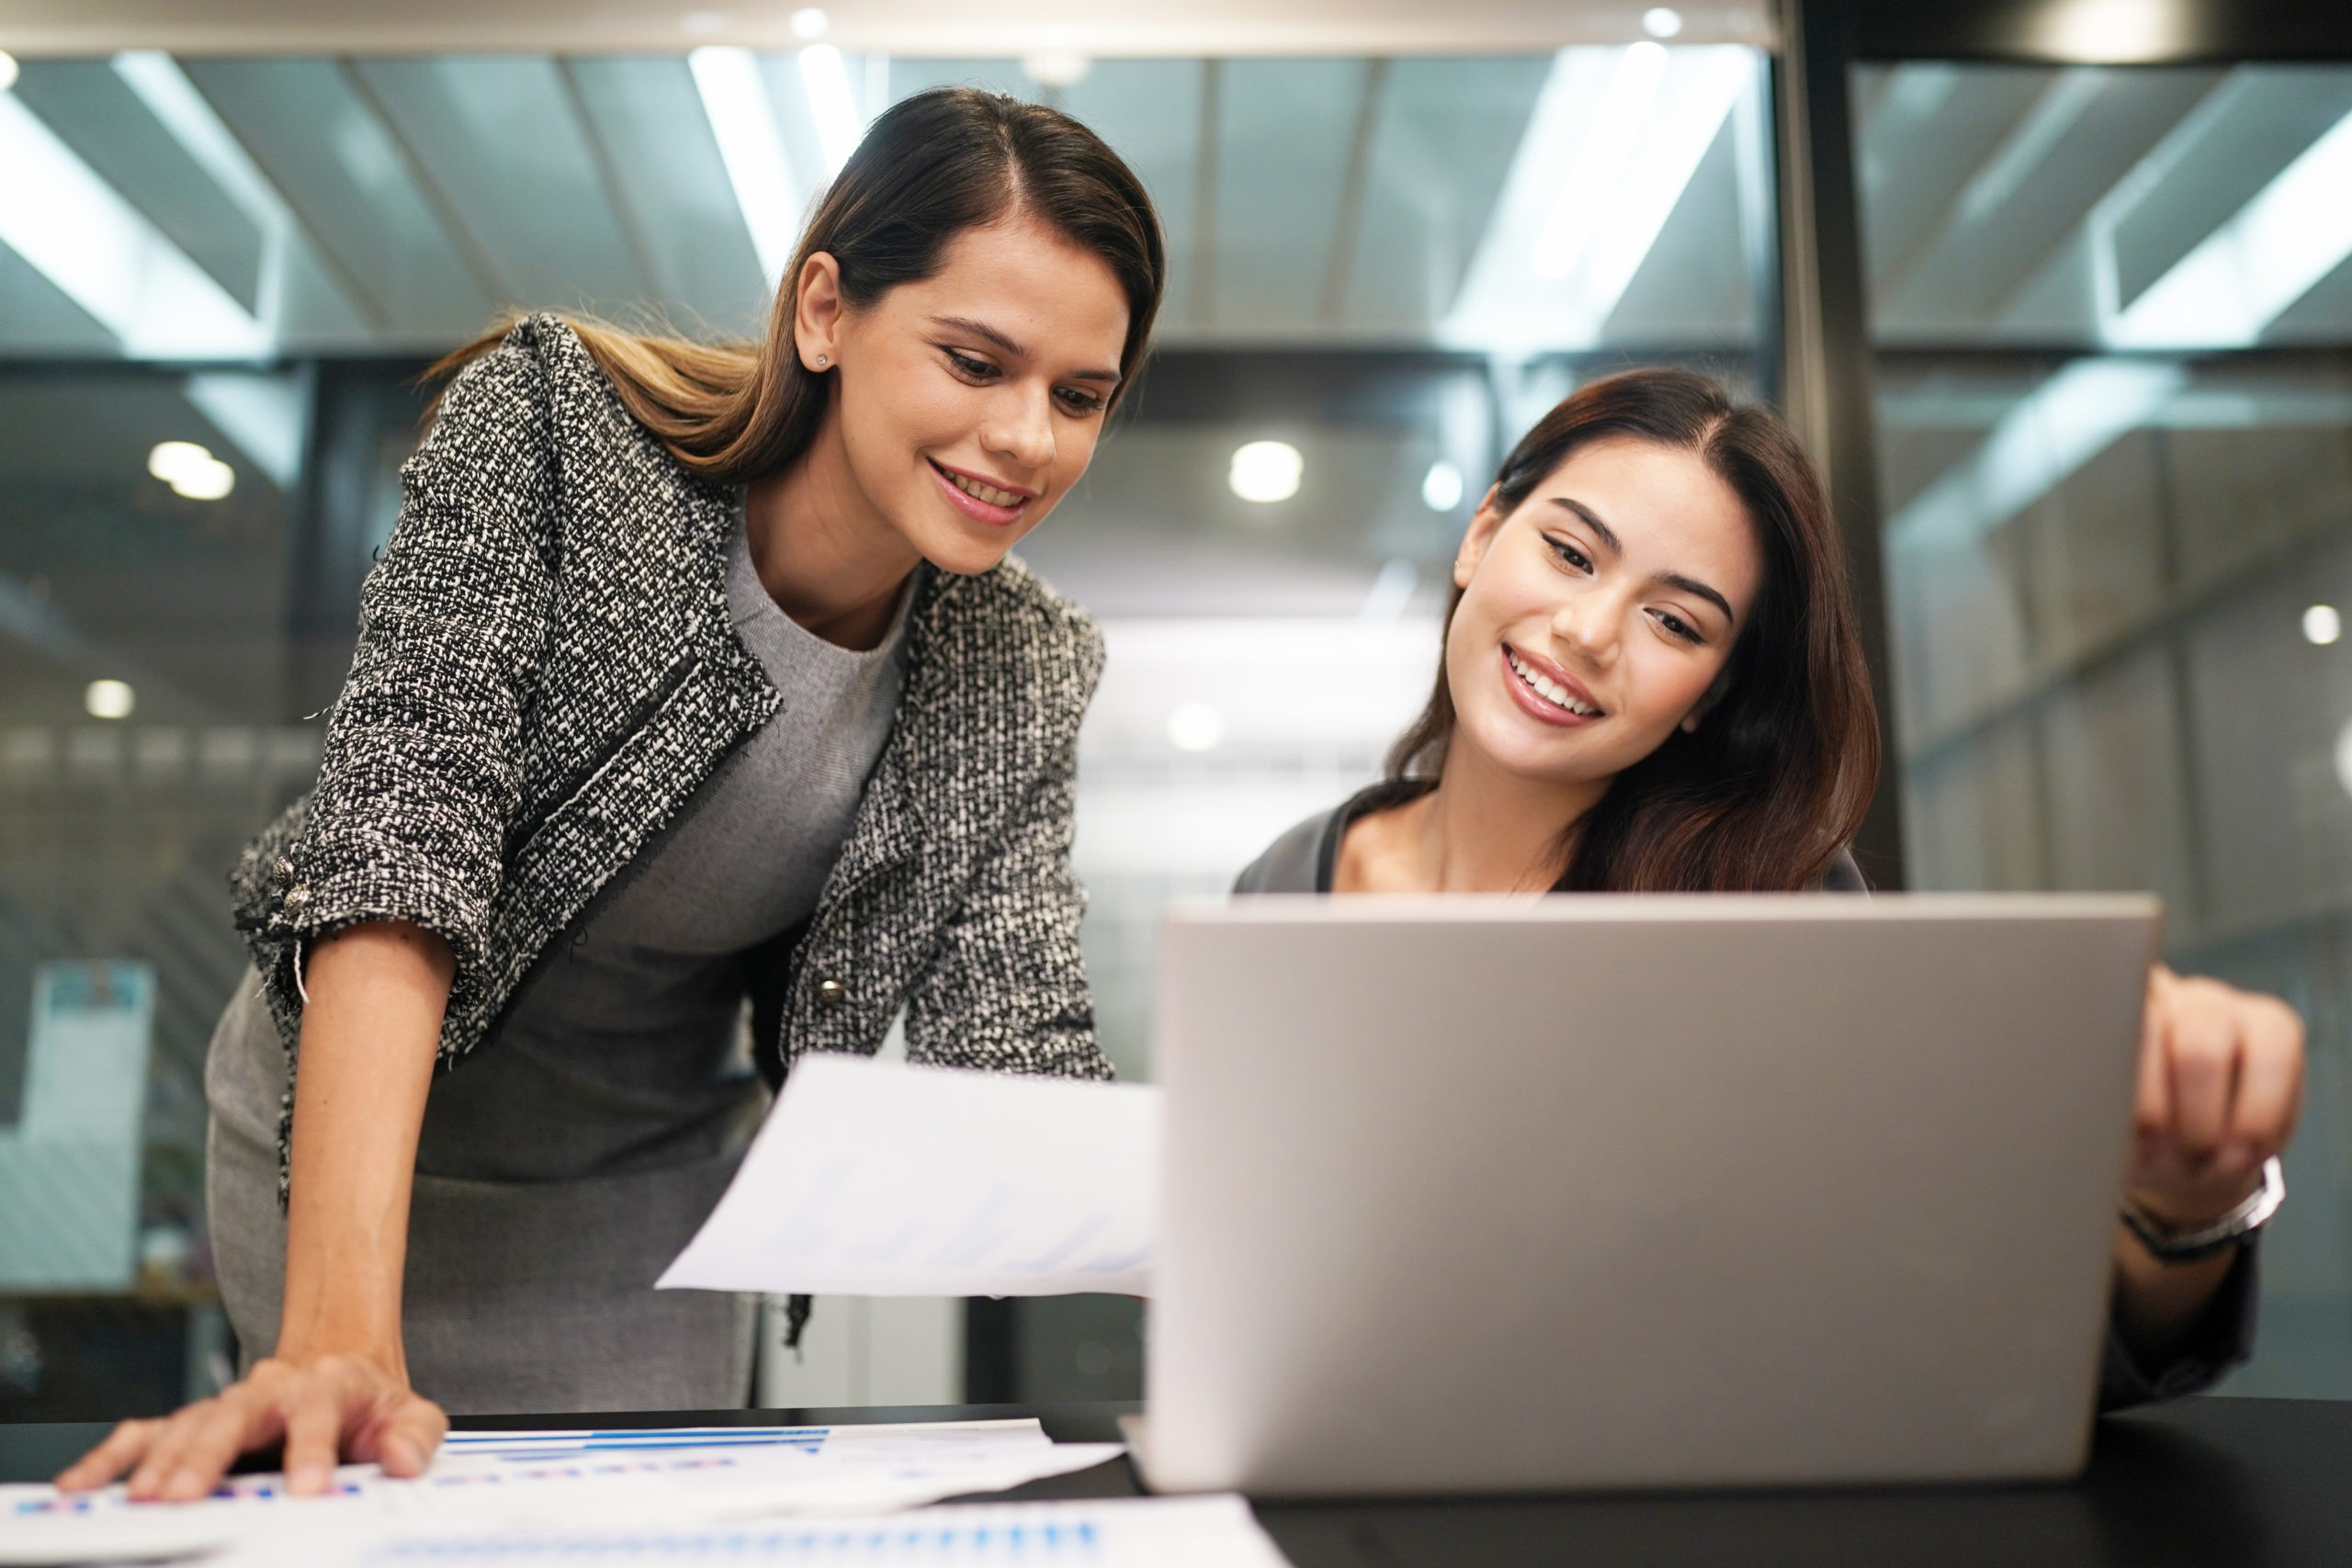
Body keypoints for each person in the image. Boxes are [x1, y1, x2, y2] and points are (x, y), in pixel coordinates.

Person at [61, 86, 1165, 1500]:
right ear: (825, 311)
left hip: (647, 1188)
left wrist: (1253, 1289)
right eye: (975, 359)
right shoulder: (557, 431)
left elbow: (1013, 1048)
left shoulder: (1020, 655)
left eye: (1080, 396)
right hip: (361, 1135)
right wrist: (339, 1329)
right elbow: (401, 849)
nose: (1027, 438)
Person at [1236, 367, 2304, 1408]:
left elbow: (1996, 1324)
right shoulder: (1286, 886)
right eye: (1569, 554)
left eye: (1677, 623)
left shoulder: (1766, 906)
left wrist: (2184, 1206)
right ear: (1481, 535)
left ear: (1709, 694)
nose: (1590, 632)